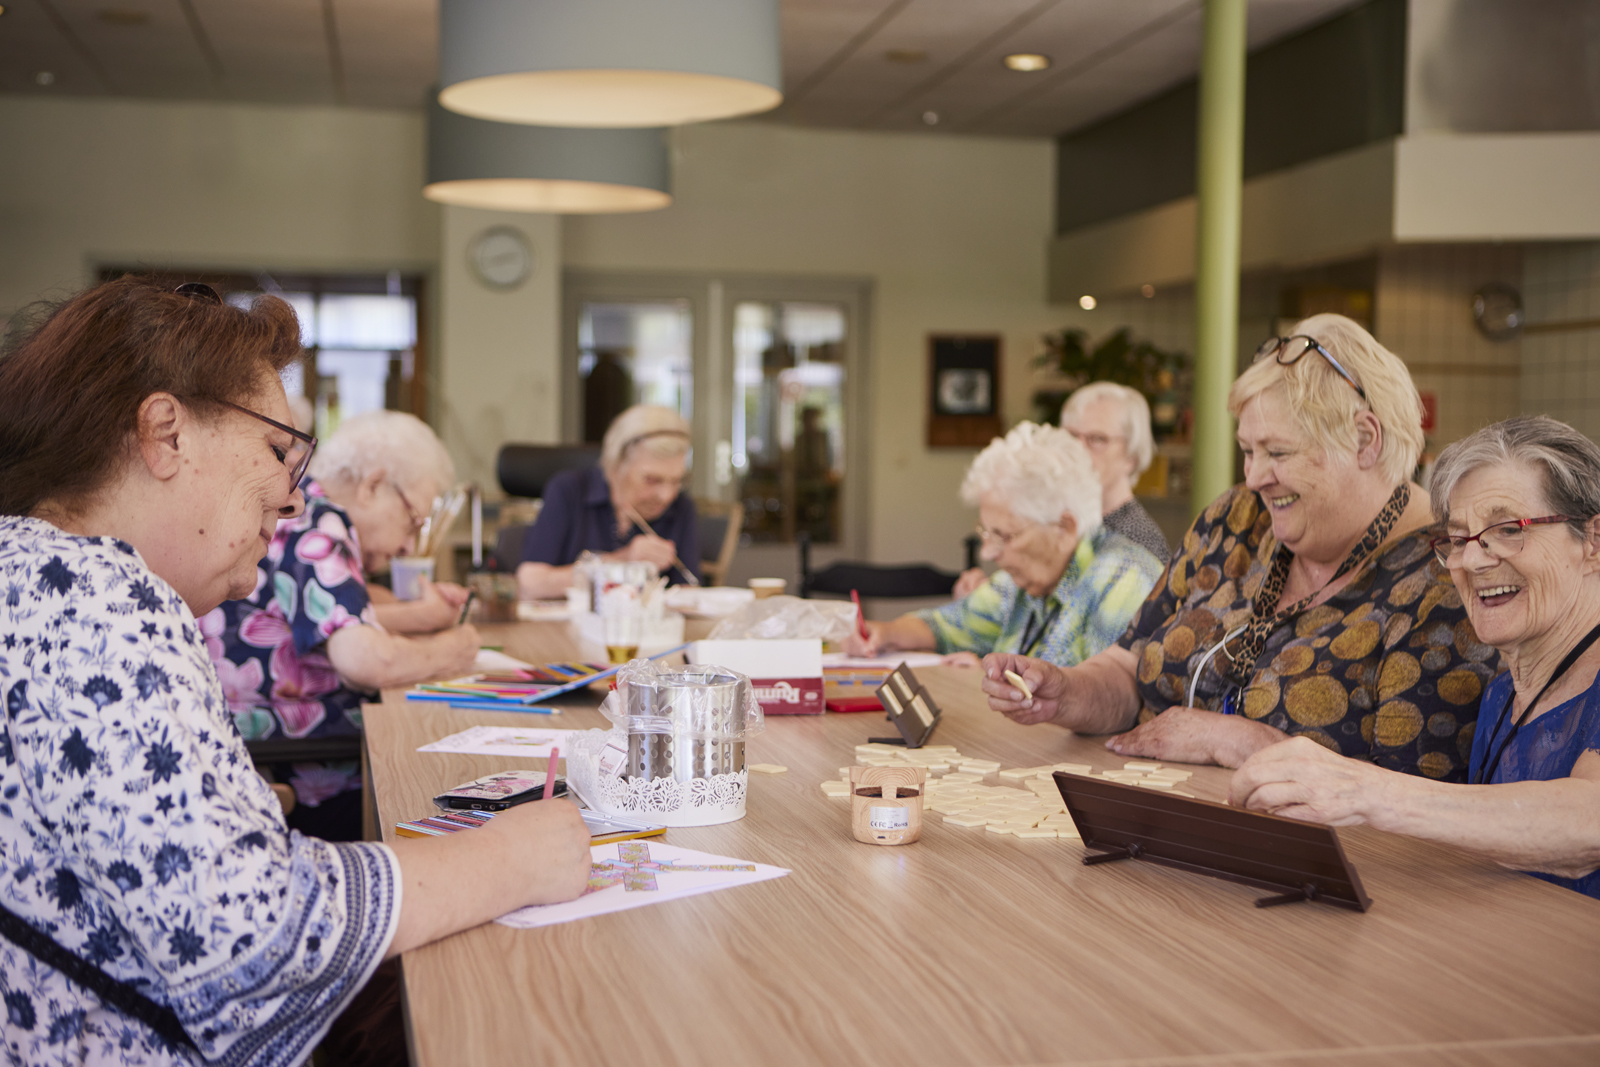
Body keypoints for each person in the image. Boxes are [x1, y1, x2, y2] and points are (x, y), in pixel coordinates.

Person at [0, 277, 590, 1065]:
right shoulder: (99, 602)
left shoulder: (31, 572)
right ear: (165, 434)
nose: (290, 494)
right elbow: (250, 938)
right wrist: (510, 858)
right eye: (279, 450)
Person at [982, 314, 1497, 777]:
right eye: (1247, 451)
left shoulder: (1445, 579)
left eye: (1277, 452)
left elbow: (1418, 812)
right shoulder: (1236, 521)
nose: (1254, 478)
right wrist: (1064, 691)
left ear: (1365, 440)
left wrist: (1244, 741)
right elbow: (1126, 668)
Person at [1232, 416, 1600, 898]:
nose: (1471, 561)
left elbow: (1587, 822)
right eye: (1459, 538)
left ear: (1593, 541)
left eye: (1508, 529)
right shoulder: (1504, 692)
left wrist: (1366, 792)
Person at [202, 409, 478, 841]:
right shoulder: (321, 522)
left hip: (250, 749)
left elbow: (327, 613)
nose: (409, 543)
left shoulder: (300, 506)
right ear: (372, 486)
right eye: (412, 521)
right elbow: (365, 660)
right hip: (301, 772)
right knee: (443, 781)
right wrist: (455, 649)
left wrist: (423, 615)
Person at [843, 422, 1162, 667]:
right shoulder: (1026, 581)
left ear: (1064, 528)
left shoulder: (1123, 579)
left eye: (1005, 536)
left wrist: (990, 675)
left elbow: (1103, 701)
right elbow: (947, 625)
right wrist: (885, 635)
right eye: (987, 533)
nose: (988, 553)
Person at [953, 382, 1167, 597]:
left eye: (1097, 439)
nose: (1079, 449)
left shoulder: (1139, 542)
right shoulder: (1055, 518)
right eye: (1071, 436)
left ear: (1132, 456)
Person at [517, 404, 700, 598]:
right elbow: (530, 584)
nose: (666, 496)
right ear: (617, 463)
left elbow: (690, 592)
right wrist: (622, 560)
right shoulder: (569, 491)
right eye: (652, 480)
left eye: (676, 481)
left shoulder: (681, 508)